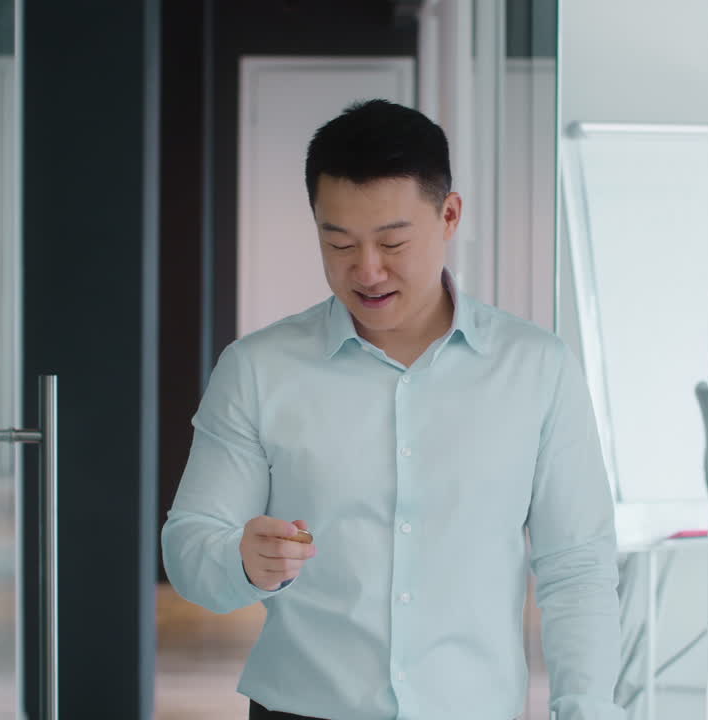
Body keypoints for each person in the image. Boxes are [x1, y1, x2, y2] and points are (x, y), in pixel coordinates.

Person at [161, 99, 623, 720]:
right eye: (340, 243)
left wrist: (587, 709)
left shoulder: (538, 369)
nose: (368, 270)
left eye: (392, 241)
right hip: (302, 708)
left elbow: (577, 569)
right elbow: (189, 546)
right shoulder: (256, 369)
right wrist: (241, 562)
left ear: (449, 215)